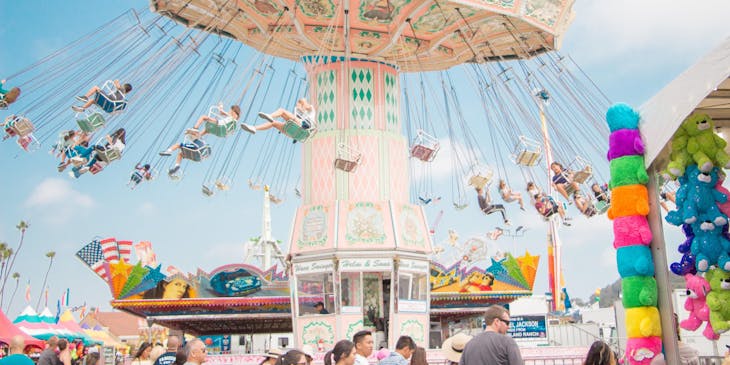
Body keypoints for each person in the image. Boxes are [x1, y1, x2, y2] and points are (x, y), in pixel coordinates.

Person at [241, 98, 315, 135]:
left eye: (301, 104)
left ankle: (270, 115)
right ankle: (254, 128)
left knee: (282, 111)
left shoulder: (310, 110)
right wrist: (299, 108)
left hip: (304, 128)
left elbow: (307, 105)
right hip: (294, 131)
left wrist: (303, 104)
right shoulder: (300, 113)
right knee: (273, 123)